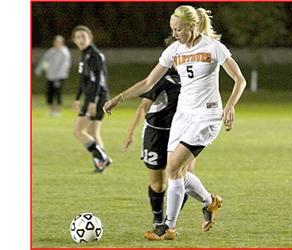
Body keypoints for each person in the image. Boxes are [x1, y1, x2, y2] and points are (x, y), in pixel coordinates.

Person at [104, 5, 246, 240]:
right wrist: (119, 98)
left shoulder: (213, 47)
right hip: (183, 117)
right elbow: (149, 82)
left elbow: (239, 79)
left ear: (192, 26)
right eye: (173, 30)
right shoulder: (174, 51)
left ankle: (167, 228)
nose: (175, 34)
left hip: (207, 117)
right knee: (177, 172)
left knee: (172, 170)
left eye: (179, 30)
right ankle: (210, 202)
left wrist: (230, 105)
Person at [123, 39, 195, 228]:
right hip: (157, 135)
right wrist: (130, 133)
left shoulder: (194, 78)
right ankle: (158, 218)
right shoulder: (161, 79)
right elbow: (143, 107)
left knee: (184, 178)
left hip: (184, 135)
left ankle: (169, 223)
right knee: (158, 184)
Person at [71, 25, 112, 173]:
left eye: (84, 36)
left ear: (90, 38)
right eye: (78, 37)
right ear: (74, 40)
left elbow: (97, 81)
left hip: (96, 98)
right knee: (93, 133)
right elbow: (84, 80)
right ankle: (100, 164)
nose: (81, 39)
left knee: (78, 131)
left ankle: (102, 157)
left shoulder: (94, 55)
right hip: (95, 97)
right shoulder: (85, 54)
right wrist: (77, 98)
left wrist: (93, 102)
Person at [35, 35, 71, 117]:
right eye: (55, 42)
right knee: (49, 94)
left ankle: (57, 111)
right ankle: (52, 111)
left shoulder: (64, 52)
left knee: (58, 93)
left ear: (61, 43)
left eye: (58, 42)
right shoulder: (51, 51)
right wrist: (39, 70)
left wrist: (57, 74)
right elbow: (44, 61)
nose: (56, 43)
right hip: (50, 76)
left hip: (60, 76)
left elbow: (65, 65)